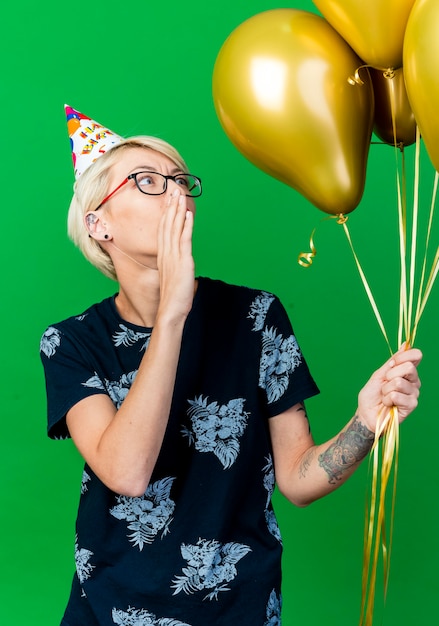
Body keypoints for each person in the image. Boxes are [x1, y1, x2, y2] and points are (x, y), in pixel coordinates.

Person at [40, 105, 422, 626]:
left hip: (237, 611)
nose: (175, 192)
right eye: (147, 181)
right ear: (98, 224)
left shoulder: (255, 316)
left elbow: (297, 480)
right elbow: (126, 472)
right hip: (109, 609)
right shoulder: (71, 342)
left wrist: (366, 421)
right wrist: (172, 316)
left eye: (179, 180)